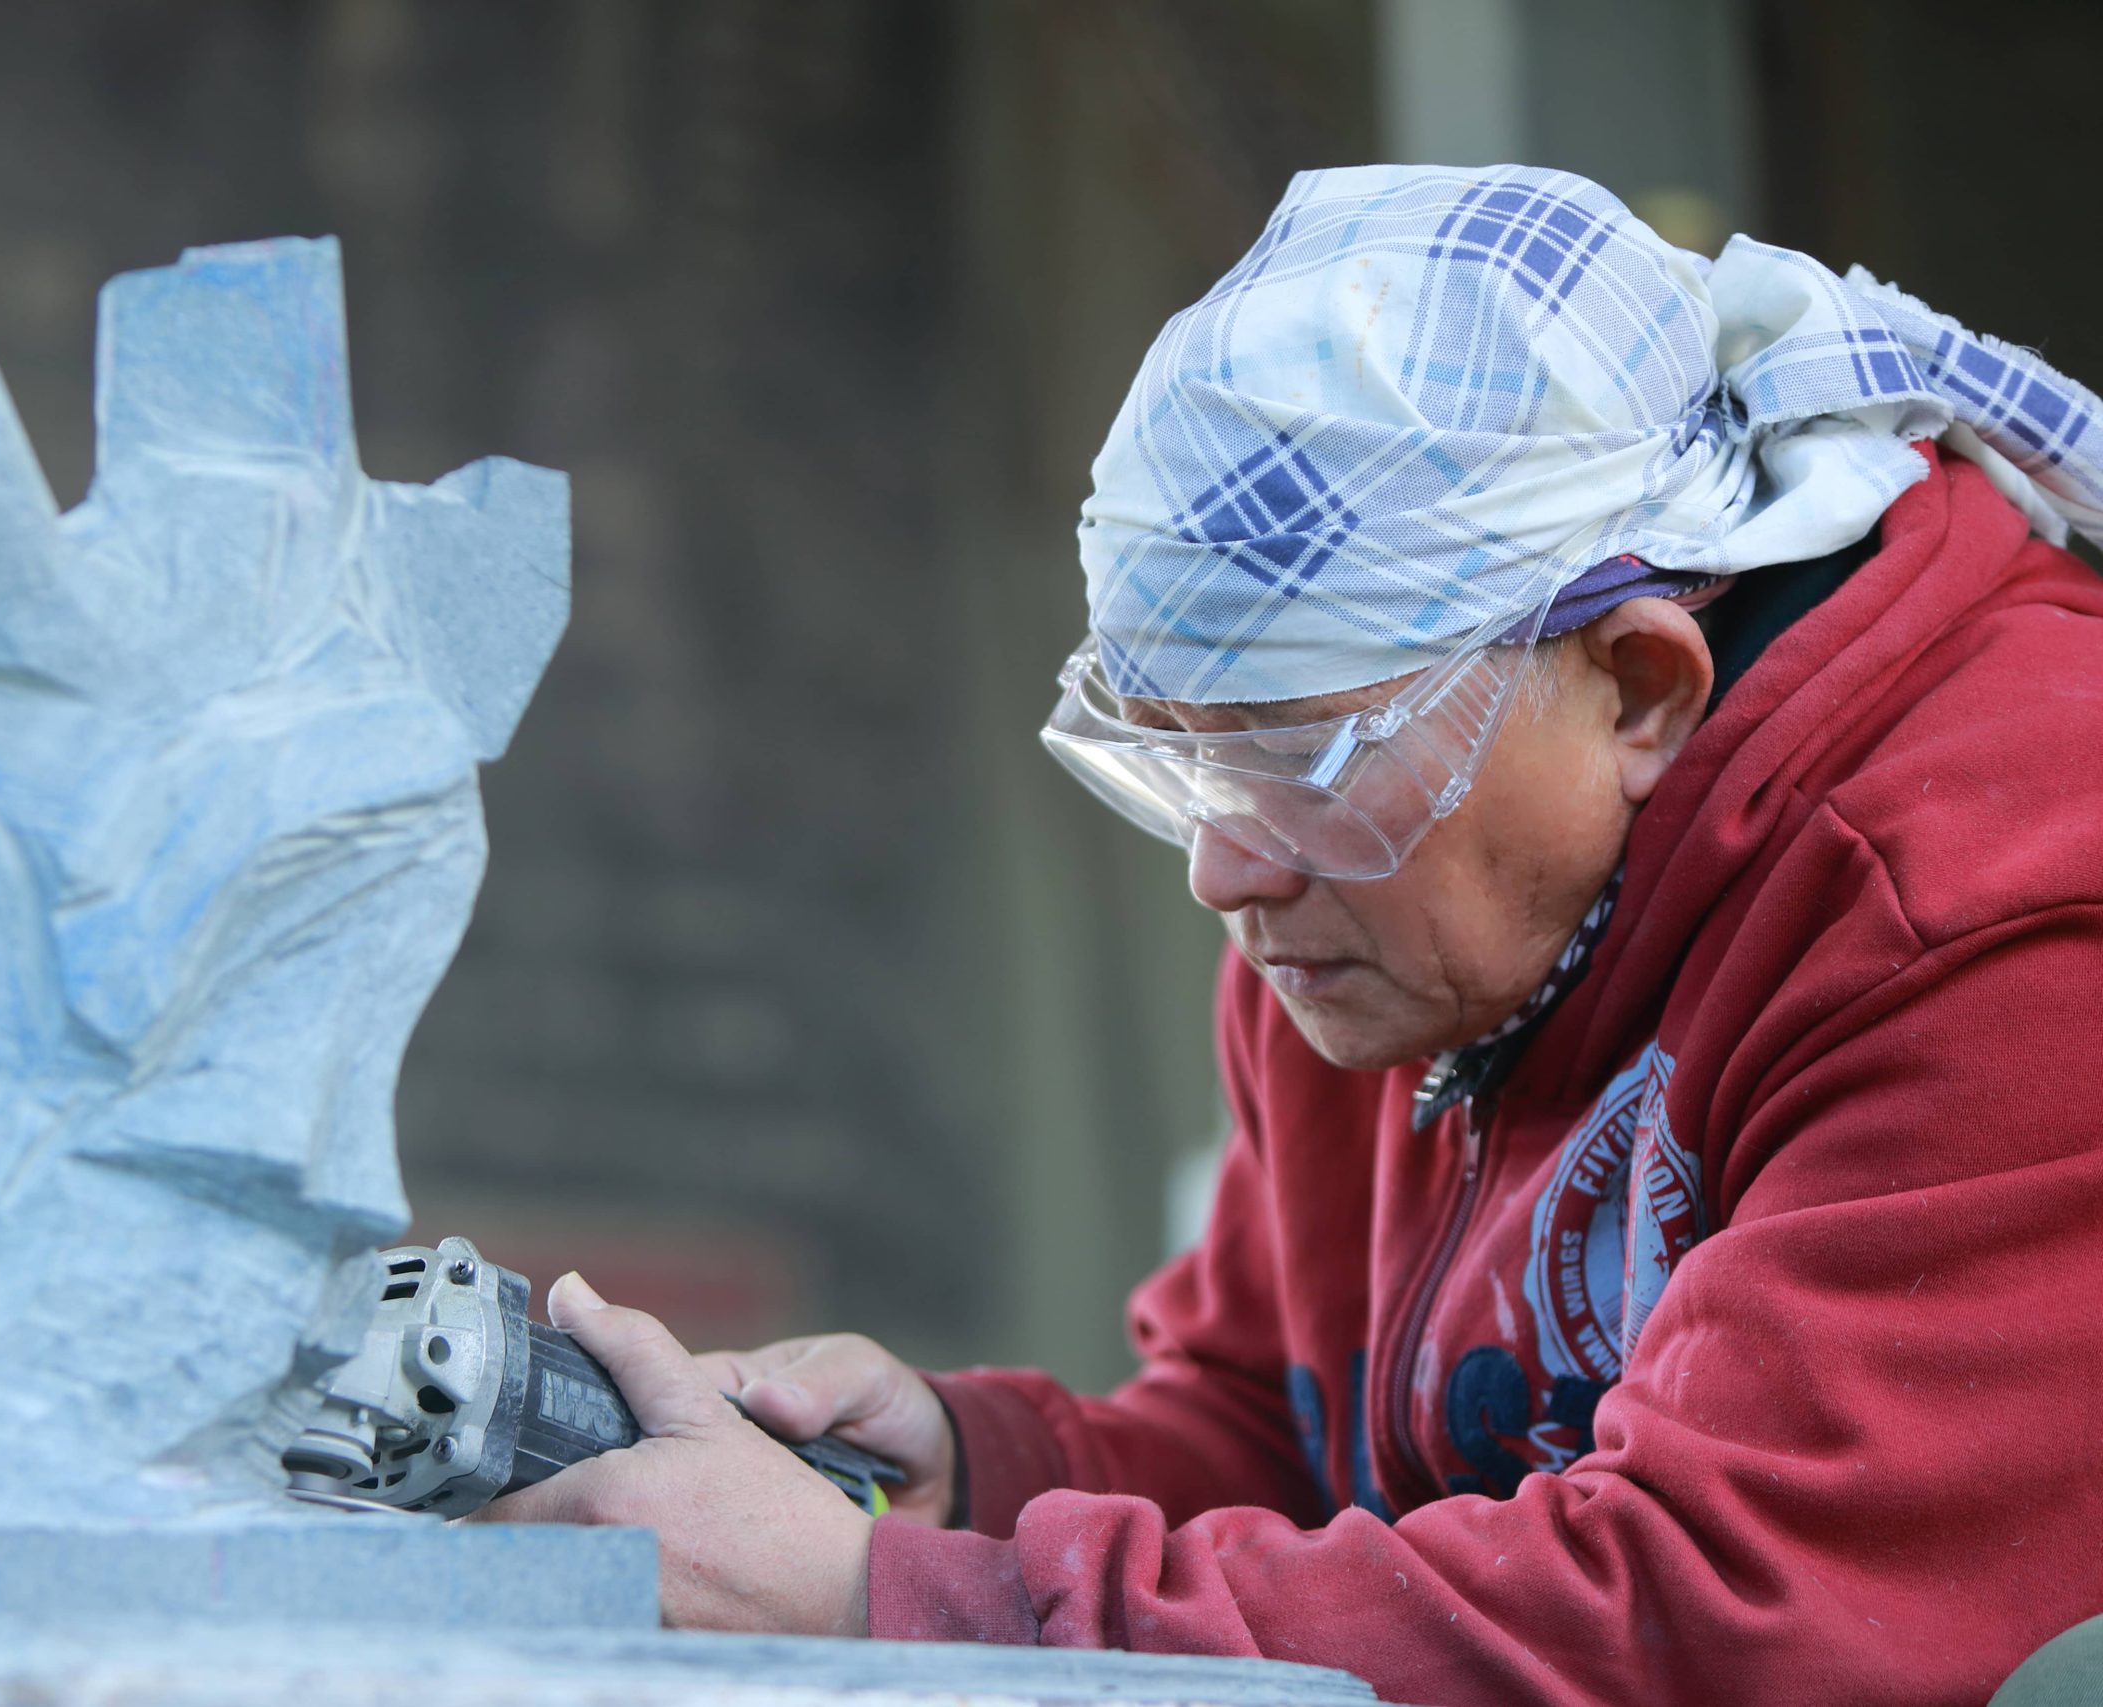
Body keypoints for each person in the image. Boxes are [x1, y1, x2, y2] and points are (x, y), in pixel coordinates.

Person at [470, 165, 2103, 1705]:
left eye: (1294, 760)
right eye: (1180, 761)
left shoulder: (2004, 922)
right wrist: (973, 1470)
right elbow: (1296, 1437)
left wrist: (892, 1609)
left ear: (1637, 686)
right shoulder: (1394, 901)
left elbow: (1720, 1625)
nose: (1224, 873)